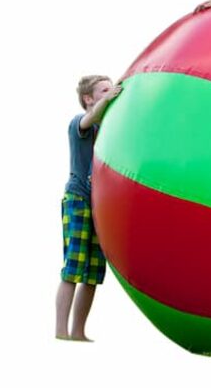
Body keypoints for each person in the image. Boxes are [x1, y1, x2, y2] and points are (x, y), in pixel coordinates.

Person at [55, 75, 121, 342]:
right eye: (104, 90)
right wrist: (108, 100)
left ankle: (78, 331)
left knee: (92, 273)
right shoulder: (79, 124)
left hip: (97, 206)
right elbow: (90, 118)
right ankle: (61, 331)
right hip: (78, 199)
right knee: (73, 266)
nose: (111, 91)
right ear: (88, 98)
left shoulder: (107, 131)